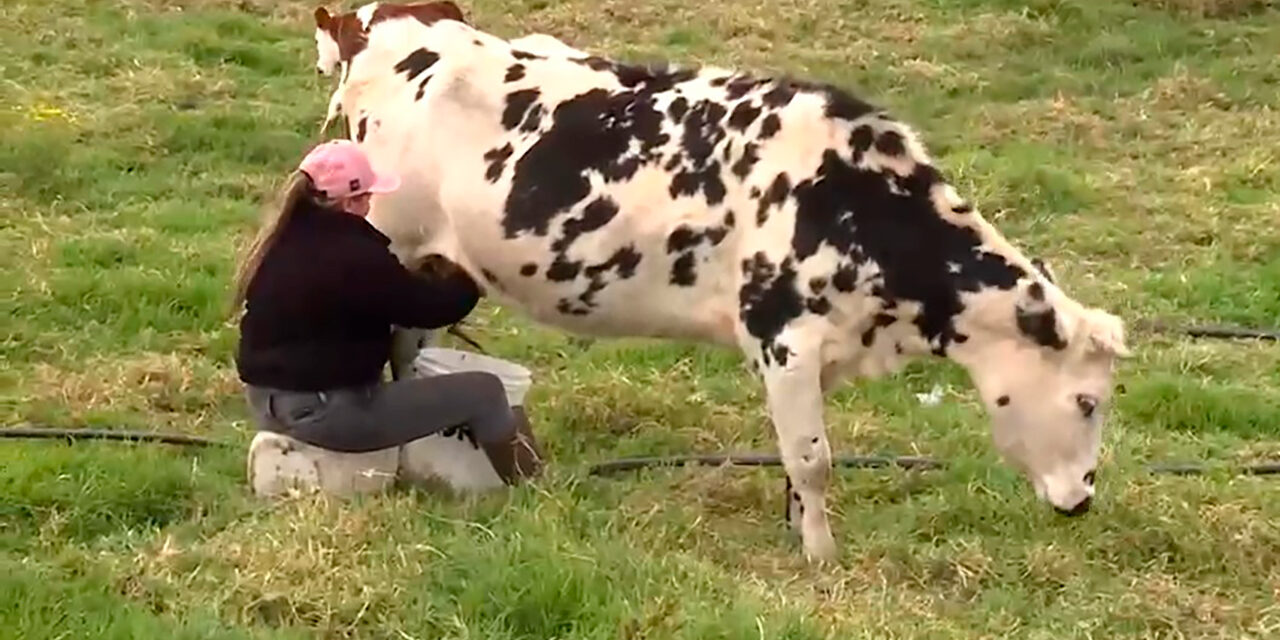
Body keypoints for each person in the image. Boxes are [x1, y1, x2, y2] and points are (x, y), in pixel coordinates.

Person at [230, 139, 541, 485]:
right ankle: (532, 487)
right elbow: (430, 308)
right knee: (485, 391)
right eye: (367, 197)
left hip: (267, 405)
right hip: (324, 412)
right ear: (351, 201)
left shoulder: (279, 240)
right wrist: (474, 275)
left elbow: (378, 294)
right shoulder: (354, 254)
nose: (370, 204)